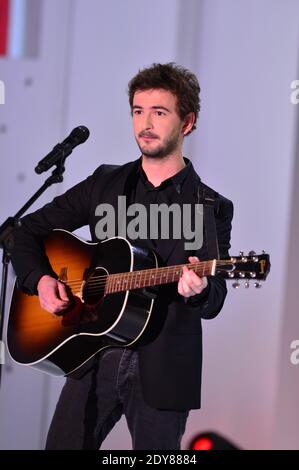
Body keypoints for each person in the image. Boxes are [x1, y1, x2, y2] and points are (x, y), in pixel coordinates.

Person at [11, 63, 233, 450]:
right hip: (92, 352)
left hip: (162, 364)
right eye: (138, 111)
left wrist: (198, 289)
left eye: (159, 112)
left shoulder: (209, 205)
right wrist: (41, 280)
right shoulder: (105, 183)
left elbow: (214, 299)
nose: (145, 123)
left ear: (188, 122)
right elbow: (25, 230)